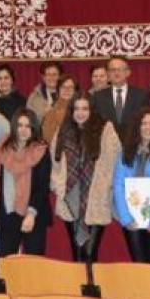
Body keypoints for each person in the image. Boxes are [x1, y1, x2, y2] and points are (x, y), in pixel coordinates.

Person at [51, 91, 121, 262]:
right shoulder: (63, 130)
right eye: (76, 109)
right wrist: (59, 186)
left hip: (95, 197)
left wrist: (105, 187)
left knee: (91, 252)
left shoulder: (105, 129)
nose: (80, 113)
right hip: (71, 198)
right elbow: (55, 163)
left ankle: (91, 287)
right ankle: (79, 288)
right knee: (76, 252)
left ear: (92, 110)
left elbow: (113, 162)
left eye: (85, 108)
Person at [0, 108, 51, 258]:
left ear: (34, 128)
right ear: (14, 127)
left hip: (33, 214)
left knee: (33, 265)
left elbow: (42, 187)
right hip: (8, 213)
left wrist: (31, 214)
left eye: (28, 126)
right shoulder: (2, 149)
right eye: (20, 125)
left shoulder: (41, 150)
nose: (23, 130)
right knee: (2, 263)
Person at [113, 108, 150, 264]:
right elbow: (118, 186)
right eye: (144, 123)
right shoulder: (126, 153)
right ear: (137, 127)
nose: (148, 127)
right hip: (131, 219)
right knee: (139, 266)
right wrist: (126, 218)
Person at [91, 55, 149, 145]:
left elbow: (145, 123)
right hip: (107, 147)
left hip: (134, 146)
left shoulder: (141, 95)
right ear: (108, 74)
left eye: (120, 69)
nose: (116, 73)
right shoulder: (97, 97)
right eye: (112, 70)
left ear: (128, 72)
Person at [41, 74, 78, 143]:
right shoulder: (50, 112)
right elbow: (46, 138)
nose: (67, 90)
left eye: (70, 87)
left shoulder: (80, 110)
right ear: (58, 90)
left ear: (75, 90)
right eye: (63, 87)